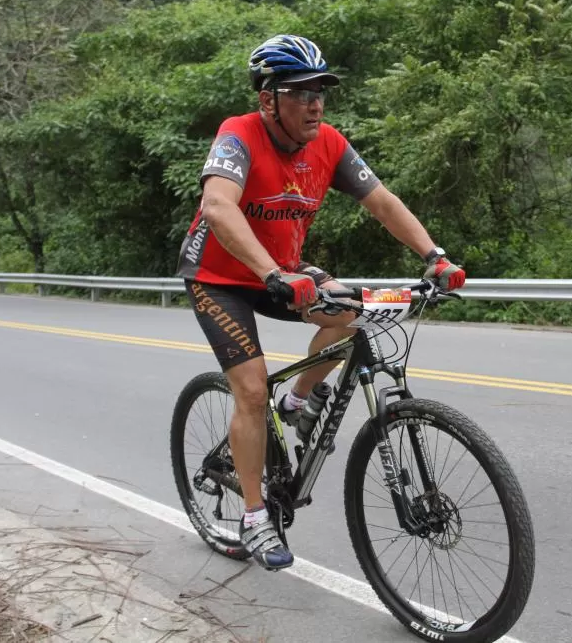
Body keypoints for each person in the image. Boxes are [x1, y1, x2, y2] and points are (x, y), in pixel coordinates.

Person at [175, 34, 466, 571]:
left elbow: (382, 202)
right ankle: (254, 516)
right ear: (268, 99)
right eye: (301, 93)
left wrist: (435, 257)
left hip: (281, 270)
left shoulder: (328, 143)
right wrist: (271, 273)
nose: (315, 104)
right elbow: (217, 206)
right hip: (219, 277)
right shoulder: (238, 136)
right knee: (251, 389)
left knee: (352, 315)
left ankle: (297, 401)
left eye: (321, 92)